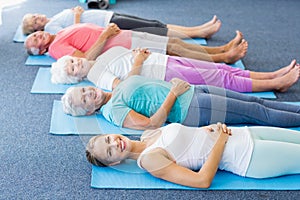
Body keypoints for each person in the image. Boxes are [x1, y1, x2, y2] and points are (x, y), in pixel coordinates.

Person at [85, 122, 300, 188]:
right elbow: (202, 180)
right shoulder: (149, 160)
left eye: (108, 139)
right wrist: (220, 141)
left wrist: (208, 129)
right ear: (115, 161)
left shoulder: (148, 133)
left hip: (245, 132)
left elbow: (191, 139)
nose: (114, 143)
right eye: (110, 150)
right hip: (248, 156)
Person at [61, 75, 300, 129]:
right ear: (90, 111)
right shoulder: (112, 111)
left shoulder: (114, 90)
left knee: (256, 101)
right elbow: (151, 124)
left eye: (83, 90)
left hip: (191, 91)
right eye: (84, 100)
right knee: (258, 113)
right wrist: (173, 93)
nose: (88, 94)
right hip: (191, 108)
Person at [51, 46, 298, 93]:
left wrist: (140, 55)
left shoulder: (100, 59)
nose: (76, 64)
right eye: (72, 69)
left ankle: (274, 76)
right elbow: (126, 86)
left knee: (222, 67)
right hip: (164, 75)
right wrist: (137, 61)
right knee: (222, 78)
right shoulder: (96, 76)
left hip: (164, 62)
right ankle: (275, 84)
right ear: (76, 78)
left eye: (71, 61)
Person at [24, 23, 247, 64]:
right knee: (175, 49)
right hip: (122, 46)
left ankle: (222, 49)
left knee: (174, 41)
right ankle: (224, 58)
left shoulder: (59, 32)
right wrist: (105, 35)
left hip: (122, 35)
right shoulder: (54, 49)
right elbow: (85, 59)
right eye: (34, 40)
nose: (37, 36)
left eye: (34, 34)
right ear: (41, 50)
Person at [21, 6, 221, 39]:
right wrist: (77, 15)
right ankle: (199, 33)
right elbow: (72, 32)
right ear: (36, 29)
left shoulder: (52, 17)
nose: (38, 18)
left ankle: (199, 29)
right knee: (154, 29)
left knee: (155, 23)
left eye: (35, 15)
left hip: (108, 16)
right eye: (34, 21)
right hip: (108, 24)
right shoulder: (50, 28)